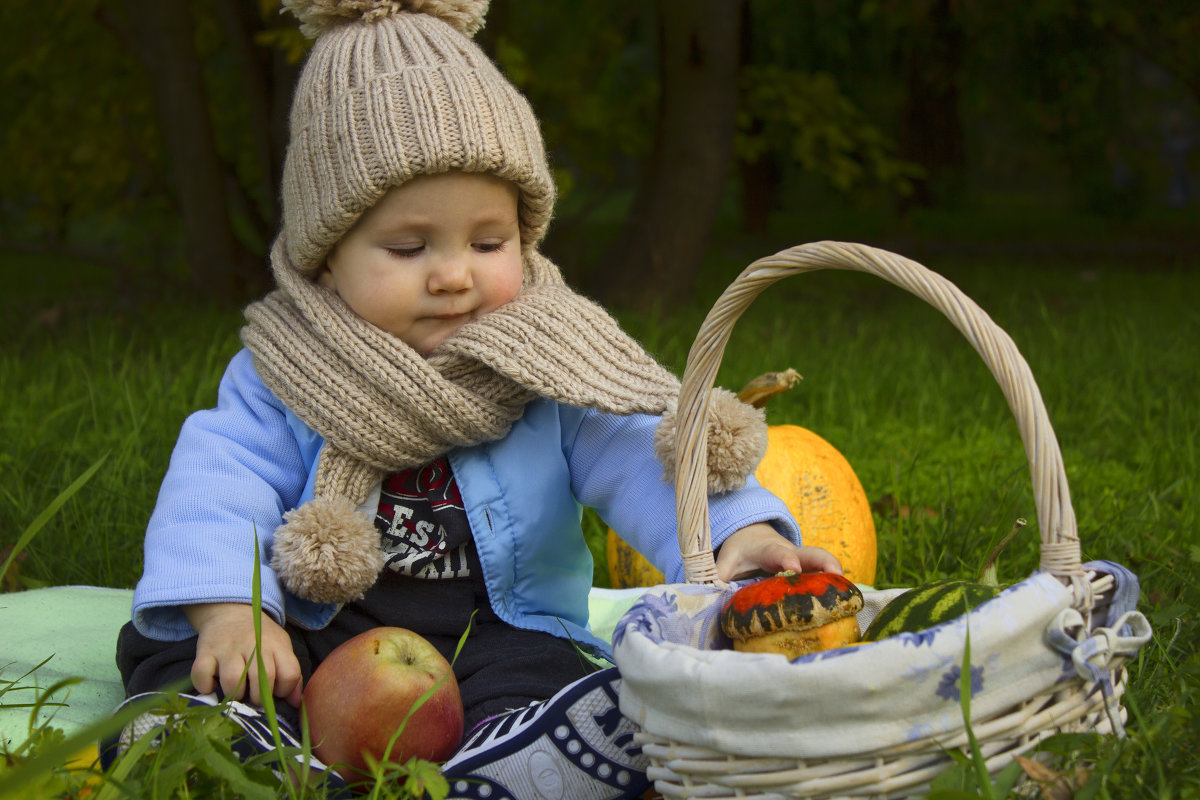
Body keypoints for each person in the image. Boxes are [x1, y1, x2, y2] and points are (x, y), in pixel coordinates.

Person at [105, 1, 842, 798]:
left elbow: (639, 446)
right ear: (327, 257)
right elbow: (218, 484)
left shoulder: (546, 356)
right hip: (320, 629)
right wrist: (232, 613)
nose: (454, 274)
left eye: (488, 244)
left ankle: (522, 760)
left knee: (565, 686)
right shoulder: (288, 365)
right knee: (186, 660)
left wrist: (739, 532)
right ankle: (238, 752)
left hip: (499, 632)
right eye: (409, 247)